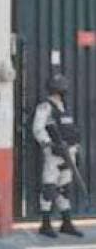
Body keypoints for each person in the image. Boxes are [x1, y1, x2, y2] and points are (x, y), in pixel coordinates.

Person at [33, 74, 83, 238]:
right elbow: (38, 129)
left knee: (64, 188)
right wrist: (49, 144)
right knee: (49, 187)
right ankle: (45, 224)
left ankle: (66, 223)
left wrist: (76, 146)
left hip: (69, 153)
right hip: (54, 154)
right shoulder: (45, 107)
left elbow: (70, 129)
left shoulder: (63, 106)